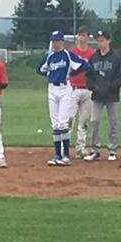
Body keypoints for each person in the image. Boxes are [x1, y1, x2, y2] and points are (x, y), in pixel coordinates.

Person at [37, 30, 89, 166]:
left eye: (57, 40)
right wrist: (51, 75)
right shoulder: (50, 56)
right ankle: (57, 154)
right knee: (55, 123)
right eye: (53, 41)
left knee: (63, 122)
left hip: (65, 89)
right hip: (52, 89)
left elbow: (85, 65)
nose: (55, 43)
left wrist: (71, 73)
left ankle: (65, 155)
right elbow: (40, 69)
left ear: (62, 41)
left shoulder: (67, 55)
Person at [84, 29, 121, 162]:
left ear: (108, 41)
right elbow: (88, 76)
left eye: (102, 40)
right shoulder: (93, 58)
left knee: (112, 122)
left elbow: (120, 78)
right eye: (98, 40)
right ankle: (95, 150)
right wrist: (94, 87)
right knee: (94, 121)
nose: (100, 43)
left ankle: (112, 150)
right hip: (97, 96)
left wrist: (110, 87)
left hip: (111, 96)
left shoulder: (115, 58)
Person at [68, 27, 96, 159]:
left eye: (84, 35)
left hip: (88, 89)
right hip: (73, 88)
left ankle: (81, 147)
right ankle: (64, 146)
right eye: (79, 35)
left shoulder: (92, 53)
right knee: (69, 118)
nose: (81, 38)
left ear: (88, 38)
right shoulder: (72, 52)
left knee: (84, 121)